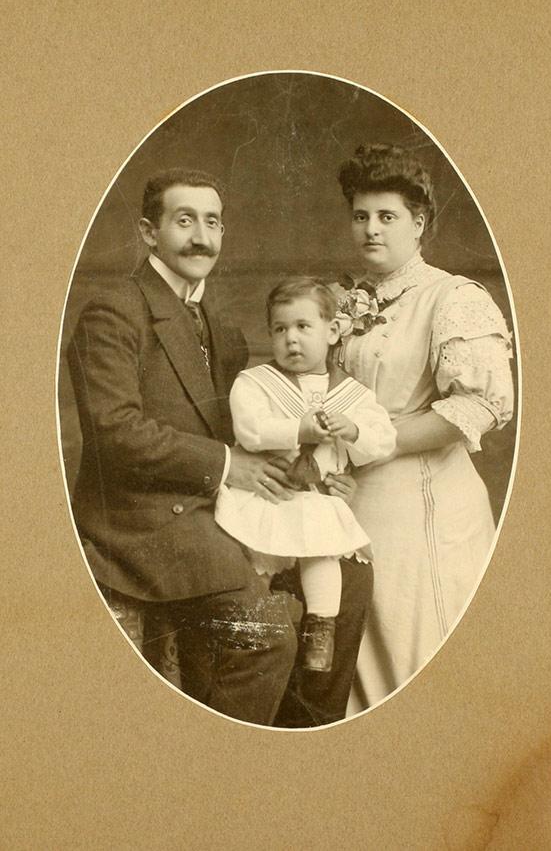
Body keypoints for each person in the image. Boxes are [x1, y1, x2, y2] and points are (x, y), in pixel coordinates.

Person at [66, 167, 373, 727]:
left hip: (219, 508)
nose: (201, 237)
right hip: (149, 526)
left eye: (213, 222)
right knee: (266, 632)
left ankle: (303, 739)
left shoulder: (220, 328)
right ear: (147, 231)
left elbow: (251, 428)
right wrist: (230, 466)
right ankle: (222, 766)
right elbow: (116, 434)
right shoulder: (113, 312)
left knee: (350, 581)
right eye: (184, 221)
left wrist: (312, 476)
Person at [330, 144, 514, 711]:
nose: (371, 229)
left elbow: (478, 407)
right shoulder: (348, 300)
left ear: (419, 224)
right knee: (360, 659)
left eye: (387, 217)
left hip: (426, 509)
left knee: (417, 661)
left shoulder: (452, 297)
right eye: (361, 215)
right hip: (357, 506)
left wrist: (367, 441)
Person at [215, 277, 396, 673]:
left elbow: (383, 440)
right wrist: (299, 430)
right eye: (280, 329)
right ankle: (249, 631)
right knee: (253, 561)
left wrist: (353, 430)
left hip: (313, 498)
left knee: (322, 553)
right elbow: (250, 428)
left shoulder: (354, 396)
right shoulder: (256, 383)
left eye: (303, 327)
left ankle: (320, 628)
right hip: (268, 494)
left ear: (332, 332)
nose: (291, 340)